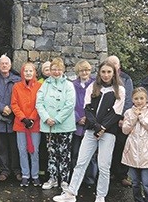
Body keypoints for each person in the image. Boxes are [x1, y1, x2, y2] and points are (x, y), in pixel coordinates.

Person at [53, 60, 125, 202]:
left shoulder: (119, 90)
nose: (106, 75)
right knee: (81, 162)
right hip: (91, 131)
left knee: (104, 166)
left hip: (108, 132)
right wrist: (96, 127)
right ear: (99, 73)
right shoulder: (93, 86)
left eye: (109, 72)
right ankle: (71, 193)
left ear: (114, 73)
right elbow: (88, 109)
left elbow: (116, 113)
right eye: (103, 72)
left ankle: (100, 196)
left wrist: (103, 128)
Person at [35, 58, 76, 190]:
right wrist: (46, 118)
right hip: (49, 126)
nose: (56, 72)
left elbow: (70, 105)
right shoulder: (45, 84)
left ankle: (64, 180)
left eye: (59, 69)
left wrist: (57, 119)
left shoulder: (69, 85)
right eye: (54, 69)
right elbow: (39, 103)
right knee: (51, 152)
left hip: (64, 125)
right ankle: (52, 178)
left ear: (63, 70)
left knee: (64, 153)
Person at [121, 87, 148, 202]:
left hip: (147, 151)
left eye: (142, 98)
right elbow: (125, 130)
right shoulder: (128, 112)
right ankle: (137, 199)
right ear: (132, 99)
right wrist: (134, 117)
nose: (139, 101)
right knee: (135, 182)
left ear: (146, 99)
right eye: (136, 98)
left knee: (147, 182)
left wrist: (142, 118)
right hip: (132, 149)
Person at [11, 62, 43, 187]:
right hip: (21, 124)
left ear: (34, 72)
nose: (28, 73)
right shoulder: (17, 86)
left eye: (31, 71)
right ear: (22, 73)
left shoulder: (40, 86)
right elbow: (14, 104)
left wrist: (32, 119)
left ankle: (35, 175)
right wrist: (23, 119)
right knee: (22, 150)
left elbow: (40, 103)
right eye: (26, 71)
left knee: (34, 151)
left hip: (34, 124)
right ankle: (25, 174)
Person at [106, 55, 133, 187]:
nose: (112, 66)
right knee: (108, 146)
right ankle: (109, 173)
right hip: (107, 119)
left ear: (119, 65)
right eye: (109, 63)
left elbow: (128, 100)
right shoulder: (104, 78)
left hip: (121, 120)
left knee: (121, 146)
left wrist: (122, 117)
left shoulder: (126, 78)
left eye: (114, 64)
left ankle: (121, 175)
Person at [70, 60, 97, 186]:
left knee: (91, 155)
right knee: (75, 153)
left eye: (86, 70)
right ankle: (75, 180)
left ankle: (90, 179)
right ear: (78, 72)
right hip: (76, 125)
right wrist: (77, 118)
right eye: (81, 70)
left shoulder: (95, 85)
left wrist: (88, 118)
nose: (84, 72)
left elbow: (97, 105)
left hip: (90, 124)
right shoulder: (72, 85)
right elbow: (70, 104)